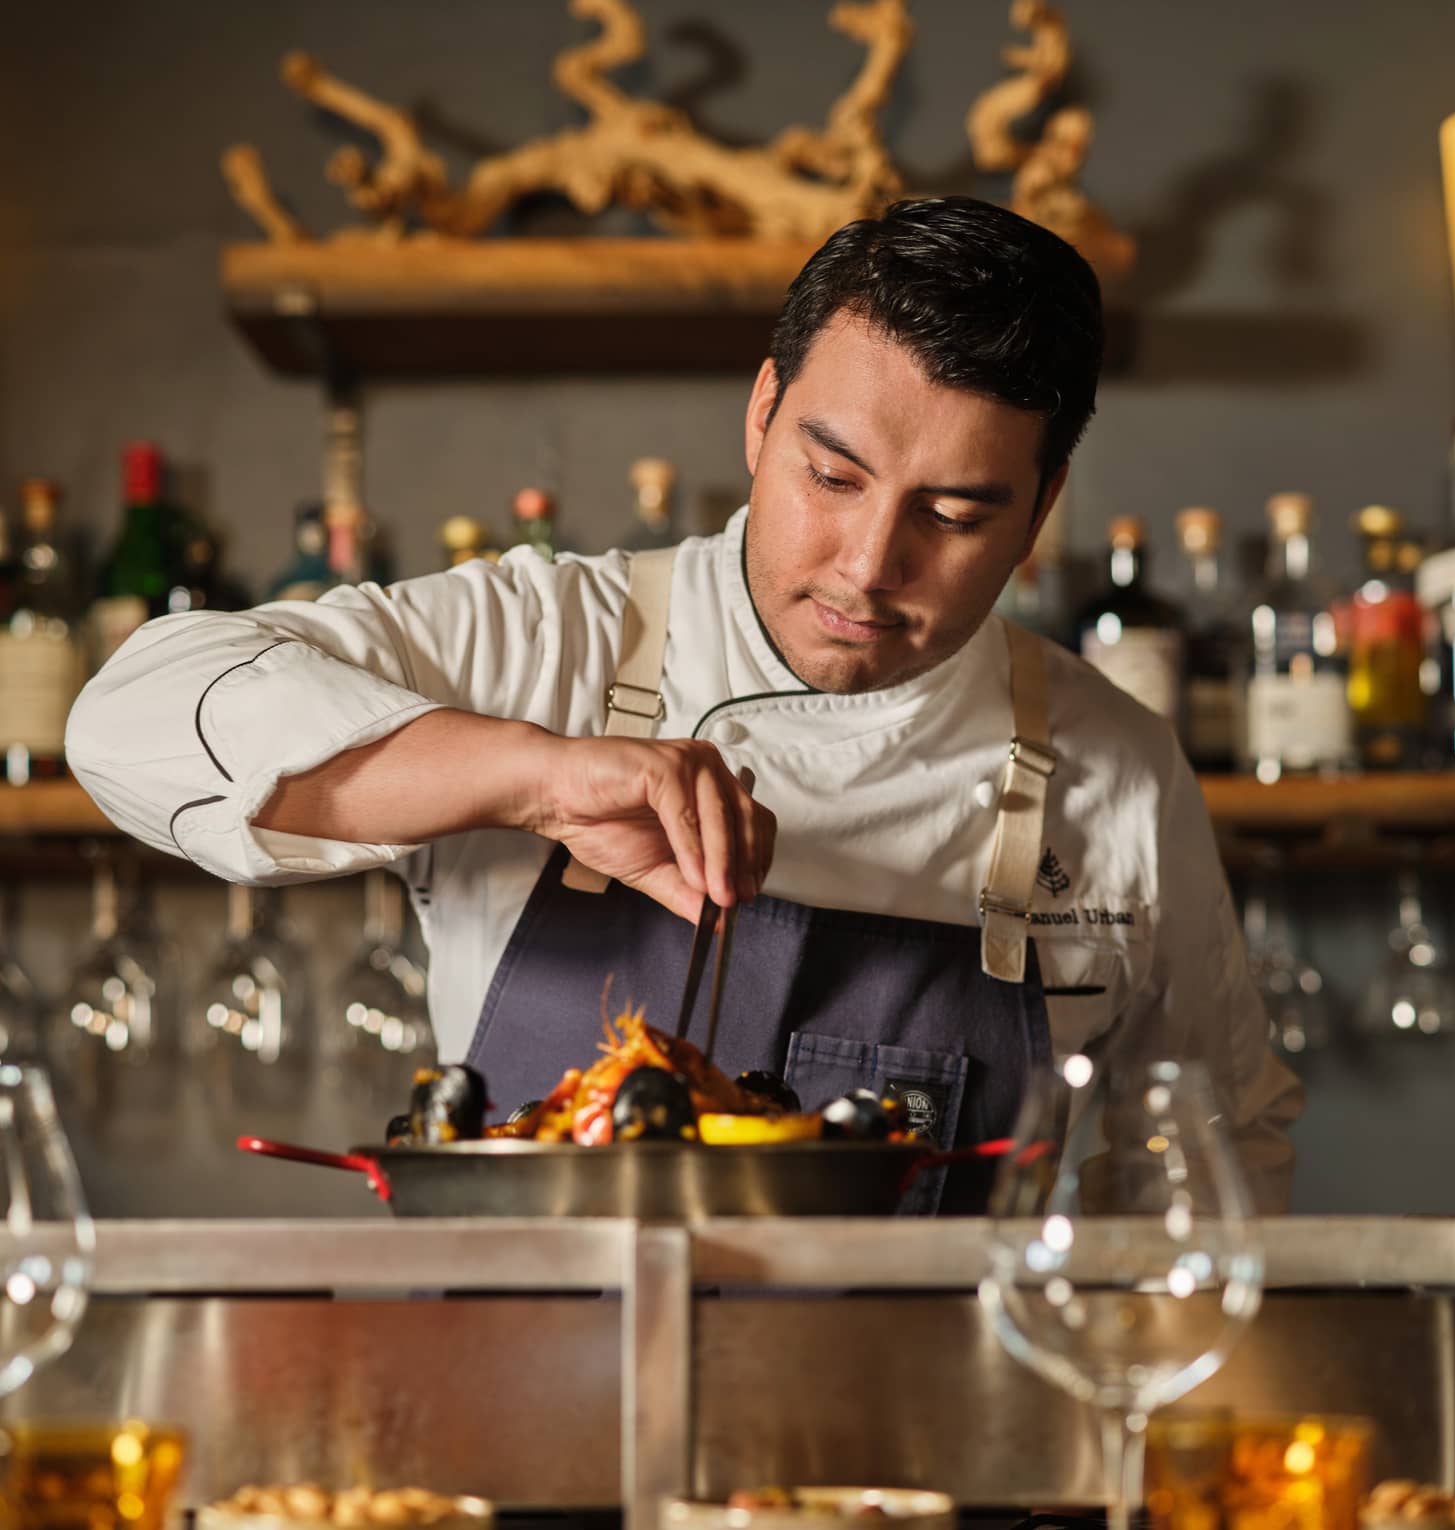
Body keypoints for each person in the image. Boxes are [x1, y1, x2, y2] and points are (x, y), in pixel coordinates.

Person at [66, 196, 1301, 1210]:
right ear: (760, 413)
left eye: (958, 512)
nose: (871, 564)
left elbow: (1215, 1145)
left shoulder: (1112, 768)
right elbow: (131, 717)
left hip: (915, 1476)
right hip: (519, 1451)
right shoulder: (545, 638)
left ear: (1041, 508)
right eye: (832, 473)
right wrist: (538, 777)